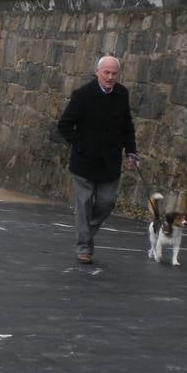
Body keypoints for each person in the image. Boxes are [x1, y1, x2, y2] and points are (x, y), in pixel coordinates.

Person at [58, 55, 139, 264]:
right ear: (98, 72)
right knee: (83, 204)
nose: (110, 77)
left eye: (114, 73)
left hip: (110, 162)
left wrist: (131, 151)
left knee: (107, 202)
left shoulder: (122, 94)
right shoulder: (83, 95)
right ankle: (84, 247)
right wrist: (81, 145)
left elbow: (127, 126)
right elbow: (64, 125)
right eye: (107, 73)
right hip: (84, 162)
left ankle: (85, 232)